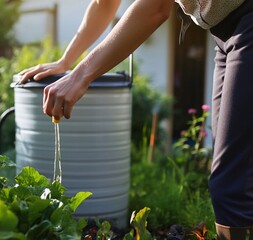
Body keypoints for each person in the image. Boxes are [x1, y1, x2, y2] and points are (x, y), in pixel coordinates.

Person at [17, 0, 253, 239]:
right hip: (224, 33)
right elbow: (104, 3)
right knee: (234, 182)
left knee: (232, 186)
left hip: (247, 20)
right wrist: (66, 62)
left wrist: (80, 76)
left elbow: (155, 8)